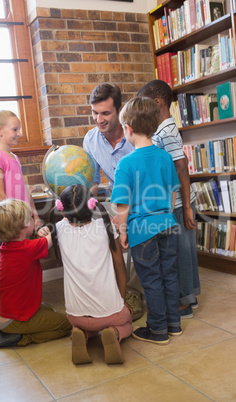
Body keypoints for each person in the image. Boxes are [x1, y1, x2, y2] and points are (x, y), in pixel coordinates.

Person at [111, 97, 181, 345]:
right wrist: (166, 216)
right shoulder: (164, 158)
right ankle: (174, 324)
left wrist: (122, 233)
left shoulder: (125, 164)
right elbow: (173, 192)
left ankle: (158, 329)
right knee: (170, 276)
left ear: (128, 129)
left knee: (151, 279)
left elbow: (122, 206)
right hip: (169, 224)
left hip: (143, 230)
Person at [45, 184, 132, 364]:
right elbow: (120, 268)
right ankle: (114, 333)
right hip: (110, 313)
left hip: (75, 316)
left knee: (89, 322)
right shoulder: (106, 226)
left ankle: (81, 333)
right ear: (92, 206)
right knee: (127, 318)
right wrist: (121, 300)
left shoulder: (58, 230)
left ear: (62, 209)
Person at [137, 80, 201, 318]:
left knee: (182, 252)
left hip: (179, 204)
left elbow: (182, 169)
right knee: (179, 252)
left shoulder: (167, 131)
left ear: (156, 103)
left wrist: (186, 207)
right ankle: (186, 297)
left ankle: (184, 301)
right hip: (172, 203)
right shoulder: (161, 130)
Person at [83, 84, 144, 320]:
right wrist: (86, 205)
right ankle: (114, 291)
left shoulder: (135, 136)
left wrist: (124, 216)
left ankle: (136, 293)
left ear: (118, 110)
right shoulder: (91, 139)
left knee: (139, 232)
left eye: (106, 113)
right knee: (99, 232)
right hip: (115, 197)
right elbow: (93, 181)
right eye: (95, 113)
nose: (99, 119)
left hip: (142, 198)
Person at [0, 198, 72, 348]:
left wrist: (41, 234)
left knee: (47, 308)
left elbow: (36, 244)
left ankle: (4, 326)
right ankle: (22, 337)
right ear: (24, 225)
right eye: (31, 217)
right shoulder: (28, 249)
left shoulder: (7, 246)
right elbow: (54, 237)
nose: (33, 219)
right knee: (65, 325)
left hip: (4, 313)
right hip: (13, 320)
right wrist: (65, 219)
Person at [0, 108, 42, 230]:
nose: (19, 133)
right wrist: (17, 221)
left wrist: (35, 216)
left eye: (19, 129)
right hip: (11, 223)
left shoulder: (15, 158)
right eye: (15, 129)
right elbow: (0, 195)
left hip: (24, 220)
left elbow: (24, 190)